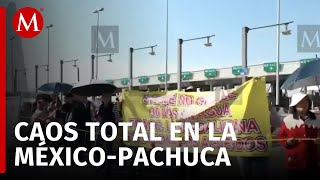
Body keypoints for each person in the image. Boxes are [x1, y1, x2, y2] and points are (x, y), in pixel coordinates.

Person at [278, 92, 320, 178]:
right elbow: (281, 136)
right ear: (294, 105)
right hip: (294, 162)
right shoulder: (288, 120)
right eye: (299, 102)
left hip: (312, 162)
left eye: (305, 101)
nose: (303, 104)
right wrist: (287, 142)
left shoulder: (318, 119)